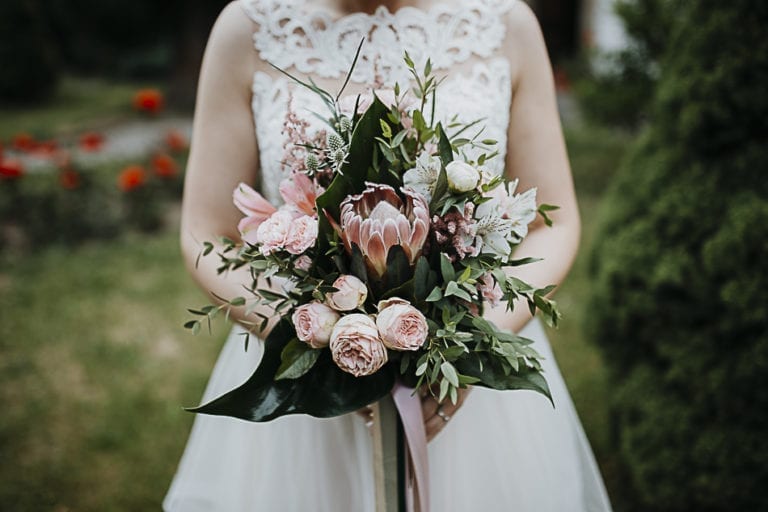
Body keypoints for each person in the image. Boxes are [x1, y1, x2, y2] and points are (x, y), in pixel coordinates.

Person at [165, 0, 613, 510]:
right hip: (307, 390)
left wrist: (465, 347)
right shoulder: (247, 29)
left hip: (470, 382)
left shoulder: (506, 23)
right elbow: (206, 232)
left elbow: (551, 225)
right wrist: (313, 338)